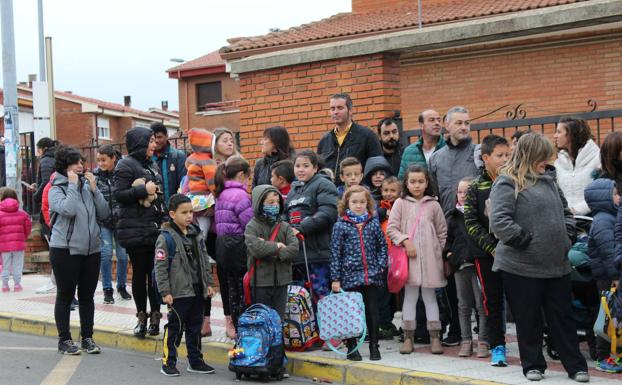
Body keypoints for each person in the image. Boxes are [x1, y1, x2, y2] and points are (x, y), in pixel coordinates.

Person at [490, 133, 589, 383]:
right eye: (543, 156)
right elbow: (500, 221)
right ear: (531, 155)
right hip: (521, 266)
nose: (547, 161)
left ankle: (576, 367)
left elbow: (566, 212)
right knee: (528, 318)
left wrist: (567, 236)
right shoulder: (507, 181)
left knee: (563, 318)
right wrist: (525, 240)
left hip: (557, 264)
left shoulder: (550, 180)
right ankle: (533, 365)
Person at [49, 145, 110, 355]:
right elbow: (68, 209)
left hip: (91, 250)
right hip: (65, 250)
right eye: (76, 163)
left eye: (82, 162)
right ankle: (64, 340)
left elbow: (104, 213)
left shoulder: (86, 186)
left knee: (87, 297)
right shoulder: (55, 189)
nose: (81, 166)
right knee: (65, 295)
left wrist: (94, 189)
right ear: (65, 166)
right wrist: (73, 186)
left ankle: (87, 338)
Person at [428, 106, 478, 347]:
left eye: (467, 123)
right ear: (447, 126)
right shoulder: (436, 158)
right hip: (448, 228)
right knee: (451, 280)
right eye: (458, 123)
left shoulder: (478, 154)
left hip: (475, 227)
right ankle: (456, 330)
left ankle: (485, 333)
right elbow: (435, 193)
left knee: (478, 282)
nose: (464, 127)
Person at [387, 165, 448, 355]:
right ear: (406, 183)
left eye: (421, 181)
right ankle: (408, 337)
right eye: (412, 181)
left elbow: (442, 232)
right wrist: (405, 241)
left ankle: (435, 337)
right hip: (409, 262)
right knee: (410, 298)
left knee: (431, 298)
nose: (417, 185)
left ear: (427, 182)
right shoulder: (400, 204)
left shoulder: (434, 205)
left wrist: (439, 252)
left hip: (431, 261)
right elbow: (392, 229)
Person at [155, 194, 216, 377]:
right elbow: (160, 267)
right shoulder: (166, 238)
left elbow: (204, 260)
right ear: (172, 214)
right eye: (184, 212)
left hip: (197, 289)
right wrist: (165, 292)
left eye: (191, 211)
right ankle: (168, 362)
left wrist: (209, 283)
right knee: (175, 328)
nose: (189, 216)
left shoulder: (195, 233)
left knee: (195, 327)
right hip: (178, 292)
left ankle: (195, 361)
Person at [464, 134, 510, 365]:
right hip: (487, 255)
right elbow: (471, 222)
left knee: (520, 299)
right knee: (491, 300)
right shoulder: (476, 187)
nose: (505, 159)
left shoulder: (515, 182)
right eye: (500, 155)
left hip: (514, 253)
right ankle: (497, 345)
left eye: (507, 155)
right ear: (486, 158)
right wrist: (492, 248)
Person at [114, 127, 165, 337]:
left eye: (154, 141)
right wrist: (143, 191)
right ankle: (141, 318)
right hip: (135, 230)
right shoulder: (125, 164)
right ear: (140, 143)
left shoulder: (152, 165)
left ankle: (156, 317)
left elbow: (159, 195)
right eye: (151, 141)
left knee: (155, 275)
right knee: (140, 274)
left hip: (154, 228)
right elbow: (119, 194)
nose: (154, 145)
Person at [330, 185, 388, 361]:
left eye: (362, 202)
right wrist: (336, 278)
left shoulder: (373, 222)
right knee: (350, 313)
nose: (358, 205)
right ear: (347, 203)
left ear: (368, 203)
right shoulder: (341, 225)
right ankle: (352, 347)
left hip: (371, 275)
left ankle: (374, 346)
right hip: (349, 277)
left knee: (372, 311)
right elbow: (335, 253)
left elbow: (382, 247)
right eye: (354, 202)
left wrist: (380, 266)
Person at [285, 150, 338, 306]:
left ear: (315, 168)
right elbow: (284, 213)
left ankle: (325, 330)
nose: (301, 169)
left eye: (306, 166)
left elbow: (328, 212)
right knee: (302, 302)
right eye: (298, 166)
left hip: (318, 254)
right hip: (298, 255)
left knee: (321, 298)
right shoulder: (293, 190)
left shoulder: (324, 184)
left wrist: (301, 228)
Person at [446, 177, 488, 358]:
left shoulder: (479, 213)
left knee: (481, 305)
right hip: (460, 266)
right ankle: (466, 340)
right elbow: (447, 240)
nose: (463, 195)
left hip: (478, 264)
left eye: (467, 191)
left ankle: (484, 341)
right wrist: (449, 255)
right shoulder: (453, 216)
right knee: (463, 305)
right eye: (460, 192)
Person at [584, 178, 622, 373]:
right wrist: (616, 275)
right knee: (607, 315)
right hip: (607, 278)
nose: (619, 197)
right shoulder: (603, 221)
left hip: (609, 276)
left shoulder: (610, 217)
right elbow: (609, 253)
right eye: (615, 194)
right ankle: (603, 355)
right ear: (603, 200)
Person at [245, 185, 298, 319]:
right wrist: (278, 246)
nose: (275, 205)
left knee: (278, 320)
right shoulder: (252, 226)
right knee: (262, 321)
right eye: (270, 202)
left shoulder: (284, 226)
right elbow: (257, 249)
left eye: (277, 202)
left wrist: (271, 250)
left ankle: (278, 341)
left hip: (282, 281)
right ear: (259, 203)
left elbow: (294, 249)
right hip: (260, 282)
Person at [214, 156, 253, 334]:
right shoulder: (241, 195)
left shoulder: (221, 193)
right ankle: (246, 327)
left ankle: (236, 325)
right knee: (243, 287)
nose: (249, 181)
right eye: (248, 177)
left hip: (223, 246)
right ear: (241, 174)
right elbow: (249, 223)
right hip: (239, 245)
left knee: (232, 289)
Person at [317, 93, 382, 182]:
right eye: (332, 109)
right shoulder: (324, 140)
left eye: (340, 108)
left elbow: (377, 168)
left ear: (350, 110)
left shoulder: (367, 136)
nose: (335, 112)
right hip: (330, 193)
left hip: (357, 193)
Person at [95, 145, 131, 304]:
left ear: (113, 159)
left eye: (104, 160)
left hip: (121, 221)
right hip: (103, 221)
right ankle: (107, 289)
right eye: (98, 160)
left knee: (123, 256)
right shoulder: (95, 176)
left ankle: (122, 286)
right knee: (106, 253)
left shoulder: (122, 174)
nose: (100, 164)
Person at [554, 117, 600, 215]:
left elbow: (601, 193)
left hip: (591, 218)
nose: (555, 136)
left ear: (571, 134)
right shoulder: (558, 163)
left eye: (559, 132)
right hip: (566, 220)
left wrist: (577, 210)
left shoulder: (598, 159)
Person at [0, 187, 32, 292]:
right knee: (17, 265)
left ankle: (5, 285)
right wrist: (24, 237)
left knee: (5, 265)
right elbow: (28, 228)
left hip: (4, 245)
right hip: (19, 244)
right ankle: (17, 284)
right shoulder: (23, 214)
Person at [398, 110, 446, 178]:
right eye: (432, 120)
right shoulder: (409, 151)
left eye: (439, 120)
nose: (437, 123)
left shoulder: (448, 148)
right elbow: (402, 181)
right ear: (421, 125)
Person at [151, 122, 187, 205]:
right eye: (154, 138)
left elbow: (184, 184)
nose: (156, 141)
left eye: (159, 137)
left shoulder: (179, 156)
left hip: (175, 208)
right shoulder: (147, 158)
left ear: (166, 136)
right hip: (154, 210)